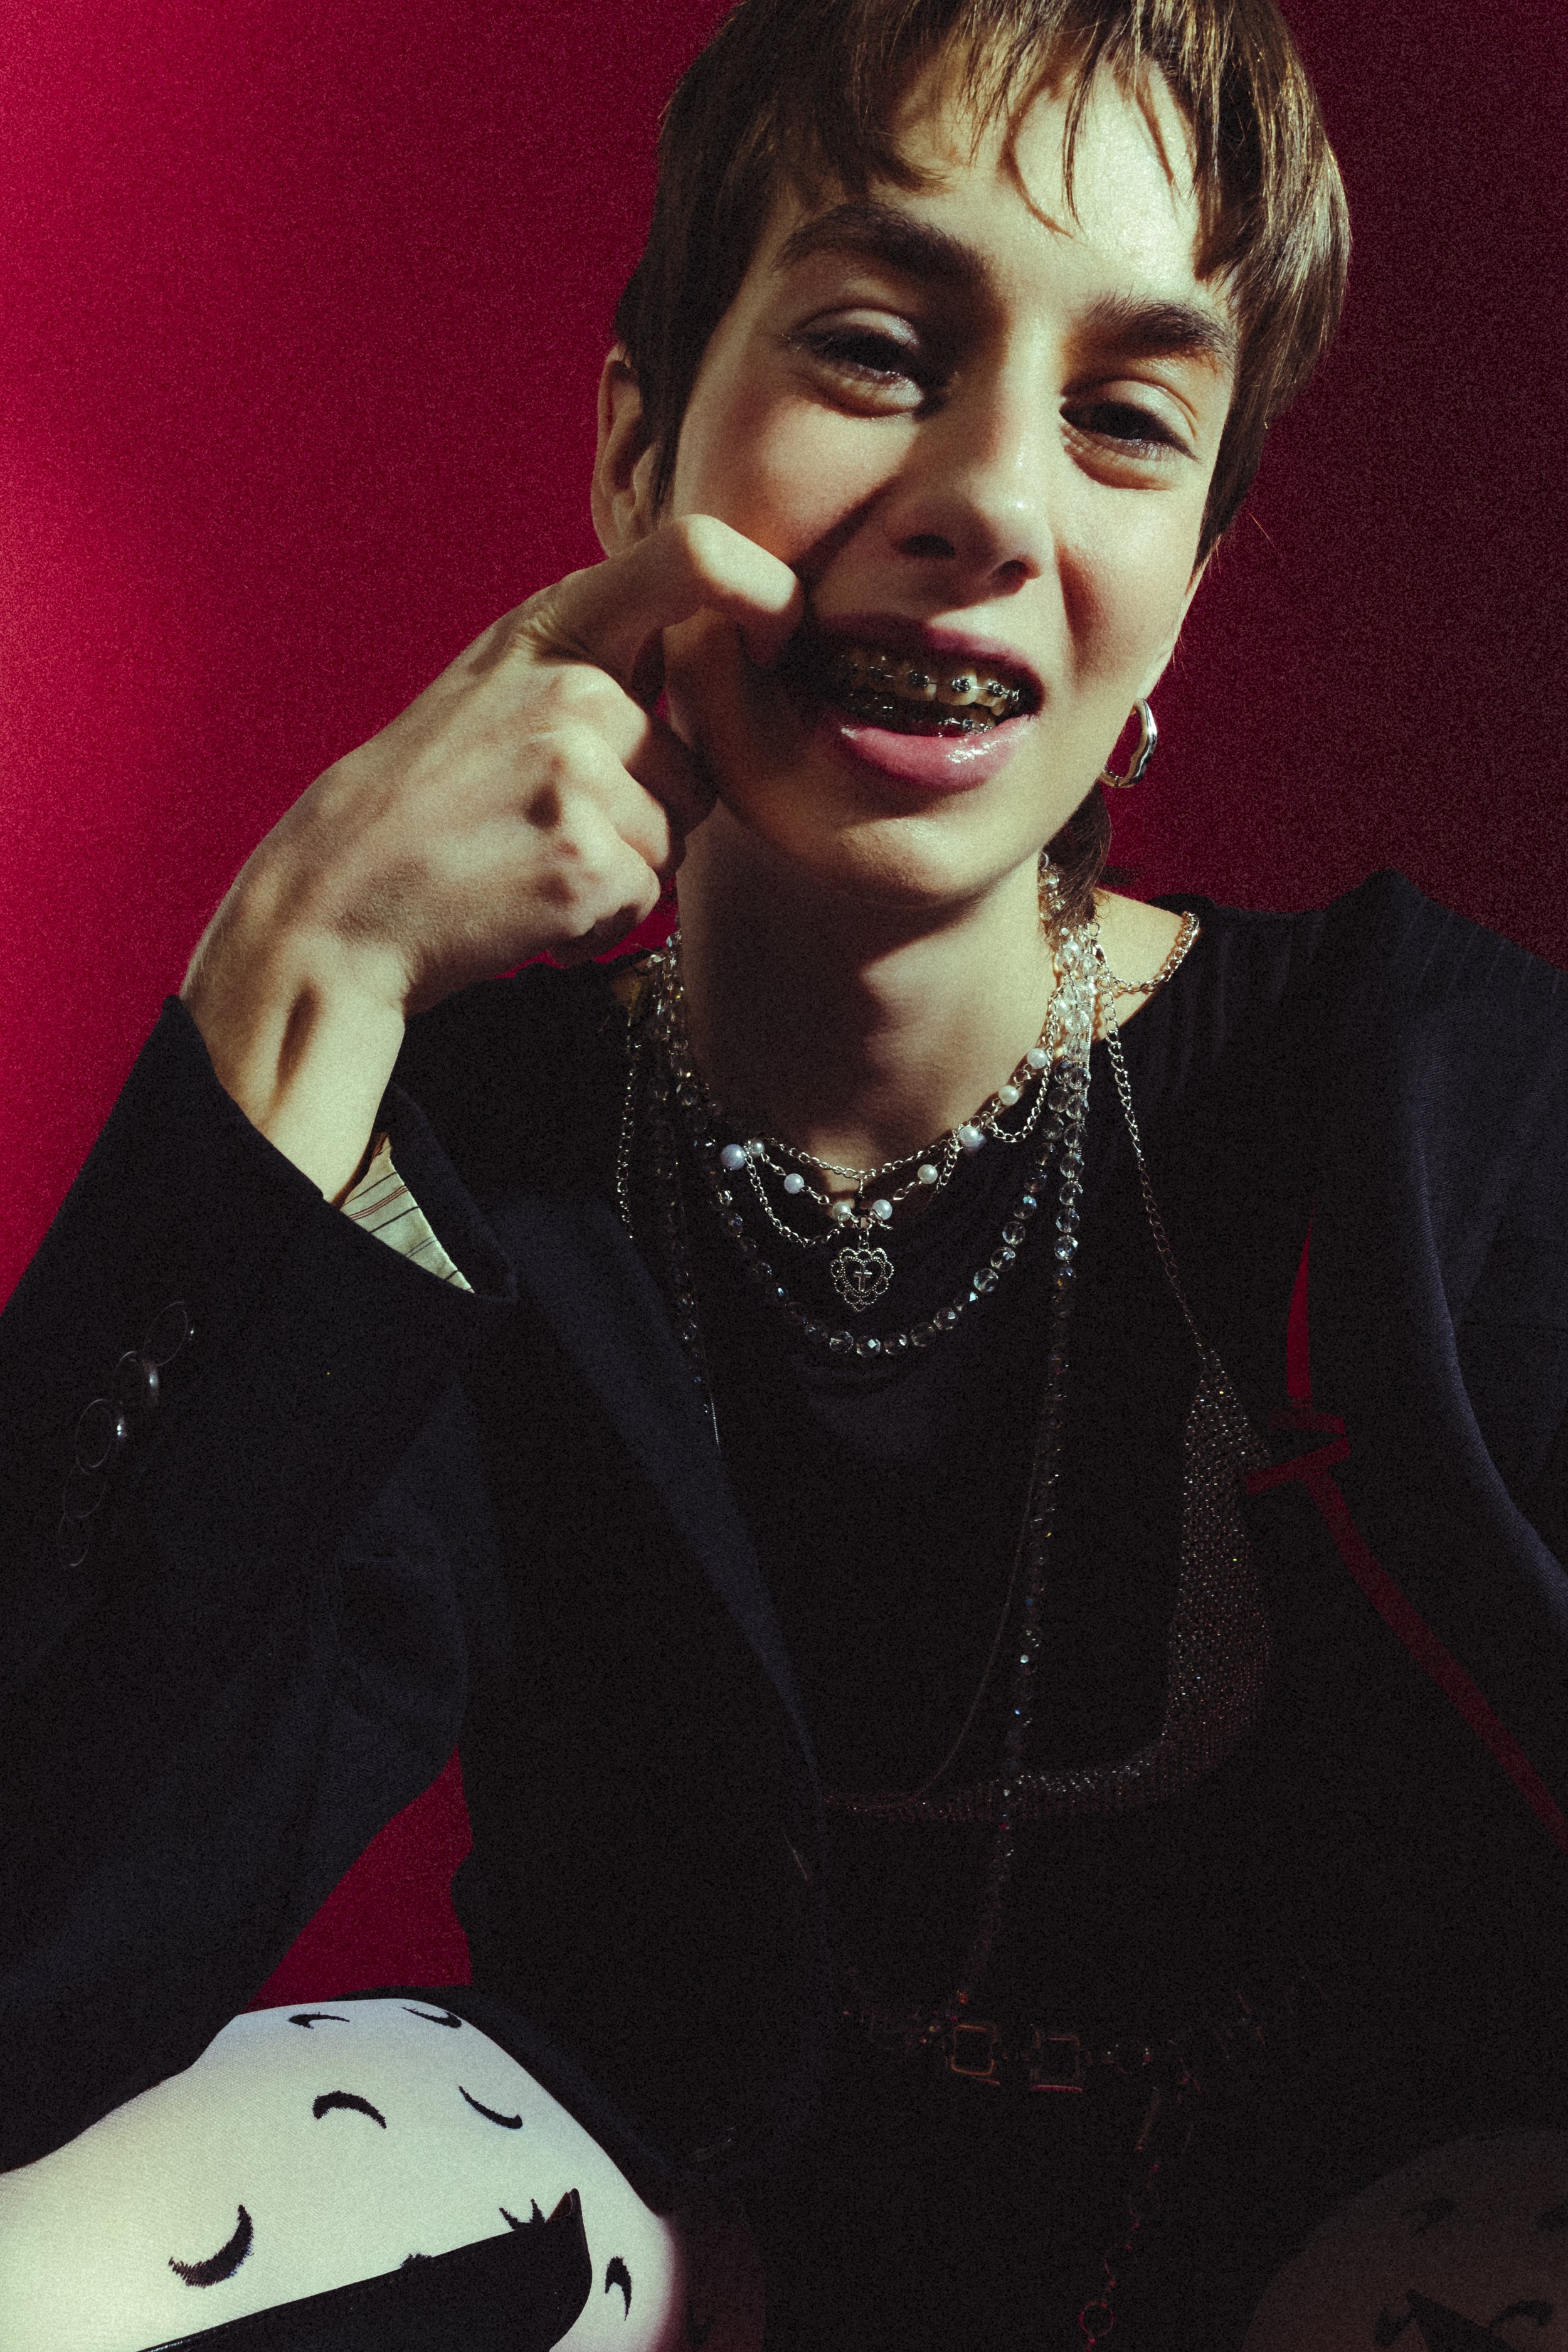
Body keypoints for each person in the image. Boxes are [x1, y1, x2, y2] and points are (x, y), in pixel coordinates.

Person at [2, 0, 1566, 2343]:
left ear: (1185, 588)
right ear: (639, 444)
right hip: (664, 2259)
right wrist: (300, 974)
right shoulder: (472, 1160)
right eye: (872, 346)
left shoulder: (1424, 1107)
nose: (991, 501)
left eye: (1123, 417)